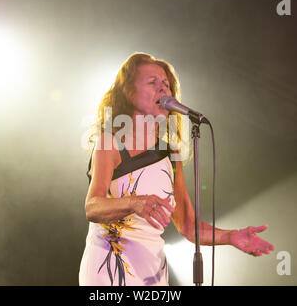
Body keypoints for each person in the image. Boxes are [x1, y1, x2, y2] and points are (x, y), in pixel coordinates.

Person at [79, 52, 274, 286]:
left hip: (152, 274)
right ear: (128, 92)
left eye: (167, 85)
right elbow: (92, 207)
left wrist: (231, 237)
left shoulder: (170, 155)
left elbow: (189, 226)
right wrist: (134, 202)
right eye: (152, 82)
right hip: (109, 270)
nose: (164, 90)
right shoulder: (110, 142)